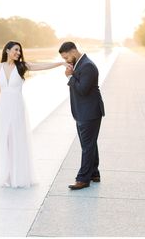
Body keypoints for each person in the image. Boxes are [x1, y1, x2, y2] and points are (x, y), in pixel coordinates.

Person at [0, 41, 68, 188]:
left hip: (17, 107)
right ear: (7, 50)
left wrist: (59, 64)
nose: (18, 53)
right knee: (5, 140)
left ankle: (18, 176)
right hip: (4, 108)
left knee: (17, 139)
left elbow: (41, 66)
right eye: (15, 50)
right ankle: (6, 174)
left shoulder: (22, 66)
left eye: (19, 51)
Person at [59, 41, 105, 190]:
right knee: (90, 144)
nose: (66, 61)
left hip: (89, 112)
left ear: (73, 52)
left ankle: (83, 179)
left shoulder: (87, 66)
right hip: (84, 111)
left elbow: (83, 90)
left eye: (66, 57)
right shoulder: (80, 64)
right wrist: (72, 74)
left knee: (87, 146)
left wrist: (69, 77)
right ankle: (94, 173)